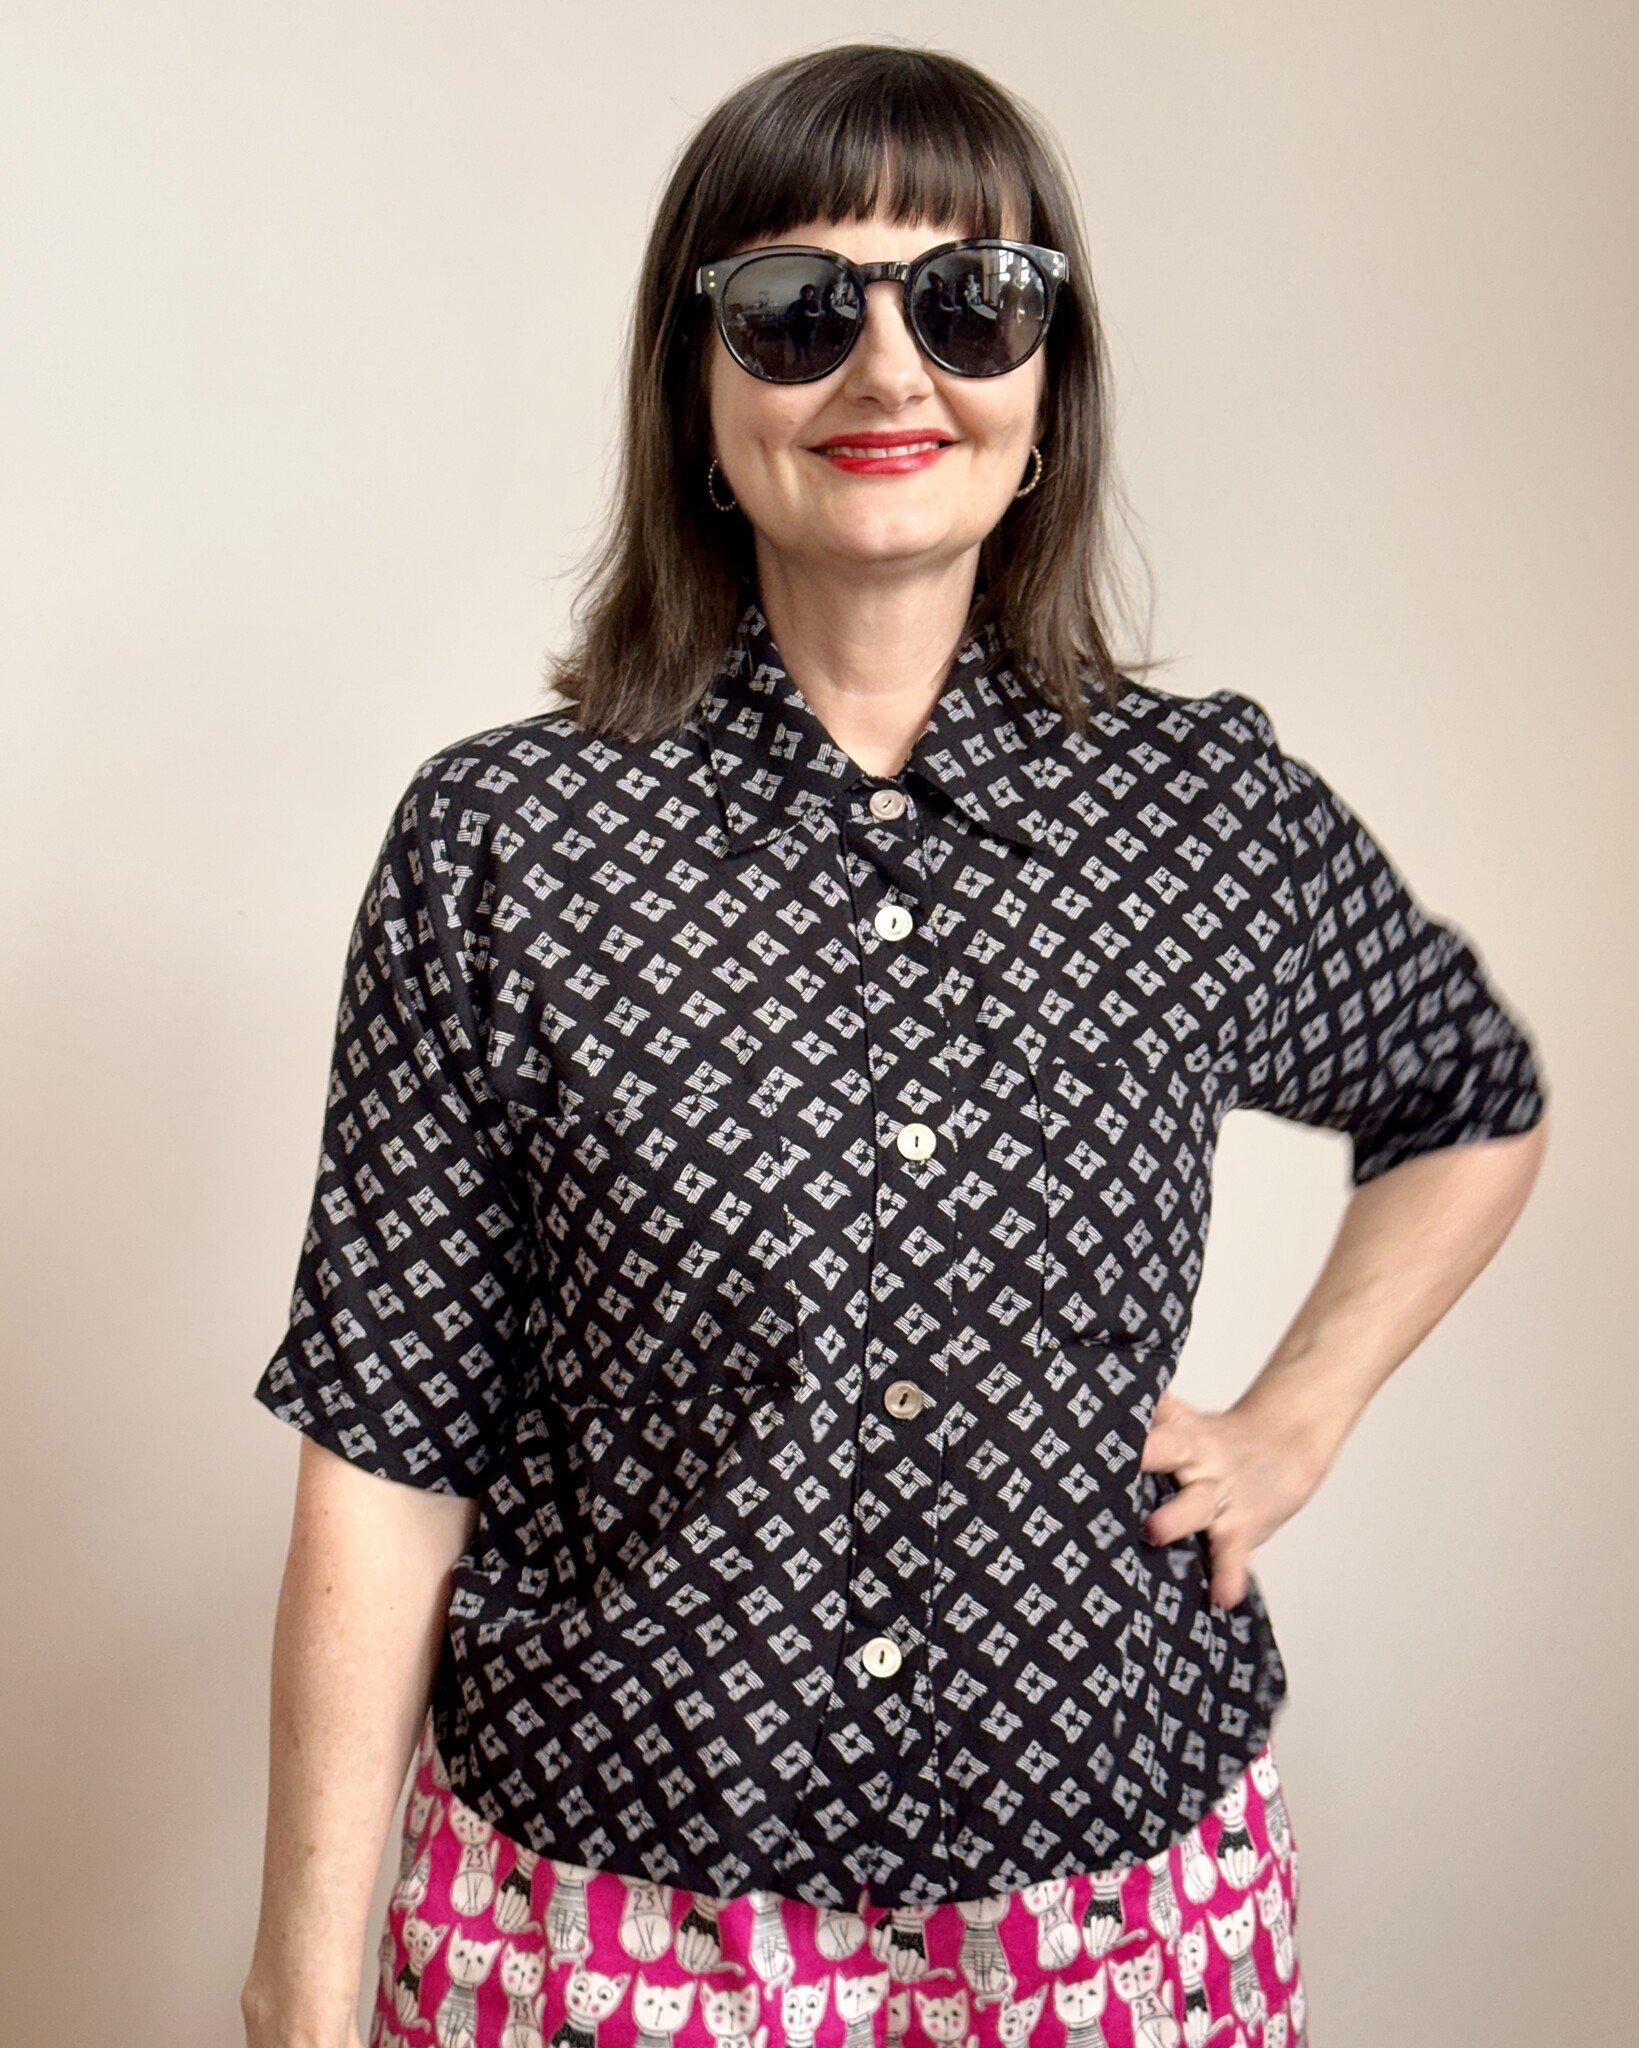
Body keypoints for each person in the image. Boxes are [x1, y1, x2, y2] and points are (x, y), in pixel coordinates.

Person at [240, 43, 1550, 2048]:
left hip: (1115, 1926)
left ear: (1045, 388)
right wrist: (299, 1992)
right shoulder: (504, 848)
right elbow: (387, 1446)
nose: (886, 370)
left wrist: (1296, 1418)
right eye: (794, 308)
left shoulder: (1198, 817)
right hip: (603, 1930)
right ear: (697, 387)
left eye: (969, 302)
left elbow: (1469, 1099)